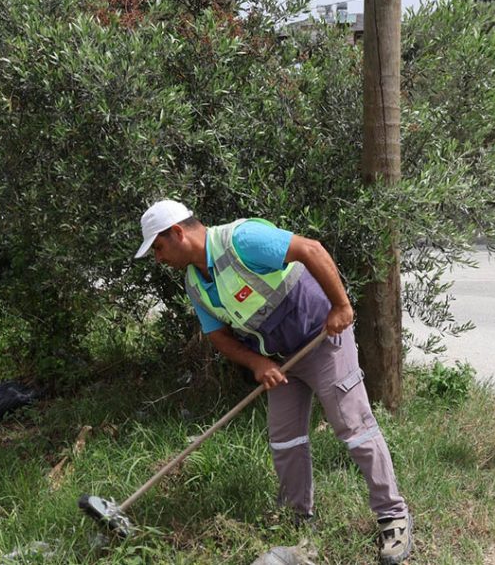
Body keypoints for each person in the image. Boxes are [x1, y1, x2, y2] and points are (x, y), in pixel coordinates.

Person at [135, 200, 412, 564]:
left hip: (322, 339)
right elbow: (217, 335)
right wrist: (257, 363)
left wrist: (341, 306)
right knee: (285, 441)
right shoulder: (195, 283)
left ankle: (392, 516)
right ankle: (298, 526)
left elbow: (310, 249)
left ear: (176, 233)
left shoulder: (241, 240)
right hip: (280, 360)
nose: (158, 258)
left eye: (158, 247)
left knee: (354, 427)